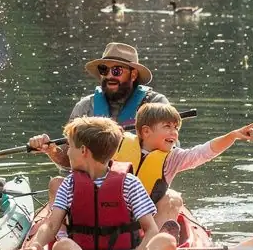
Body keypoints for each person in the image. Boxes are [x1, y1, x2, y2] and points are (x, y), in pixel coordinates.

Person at [20, 116, 177, 250]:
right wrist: (36, 245)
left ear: (83, 150)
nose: (67, 153)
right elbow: (51, 225)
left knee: (166, 241)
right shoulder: (69, 185)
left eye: (70, 147)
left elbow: (151, 229)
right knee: (62, 246)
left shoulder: (129, 183)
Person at [28, 41, 167, 174]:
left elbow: (171, 152)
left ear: (133, 74)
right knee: (57, 183)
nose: (109, 76)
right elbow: (68, 162)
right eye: (104, 70)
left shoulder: (156, 104)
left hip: (141, 182)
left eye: (117, 70)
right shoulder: (85, 107)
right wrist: (51, 150)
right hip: (95, 183)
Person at [133, 101, 253, 240]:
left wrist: (232, 136)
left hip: (151, 220)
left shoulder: (174, 158)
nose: (174, 133)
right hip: (122, 215)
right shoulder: (118, 147)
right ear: (146, 131)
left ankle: (155, 243)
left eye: (176, 128)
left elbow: (203, 152)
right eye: (167, 126)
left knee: (172, 198)